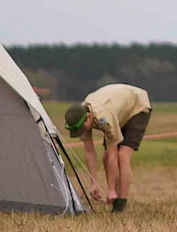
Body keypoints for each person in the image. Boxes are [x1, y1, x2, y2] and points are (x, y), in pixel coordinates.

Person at [64, 84, 153, 212]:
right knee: (105, 157)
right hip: (118, 111)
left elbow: (113, 155)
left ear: (88, 117)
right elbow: (89, 151)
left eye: (82, 128)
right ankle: (115, 198)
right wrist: (93, 183)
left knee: (122, 155)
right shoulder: (82, 114)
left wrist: (110, 189)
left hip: (137, 106)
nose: (82, 131)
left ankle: (120, 203)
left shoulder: (104, 118)